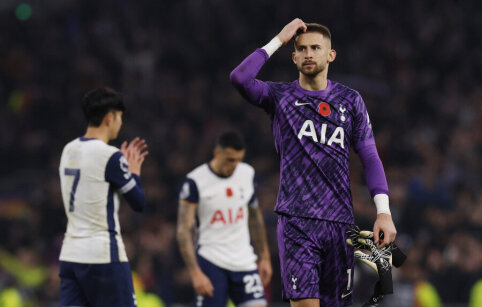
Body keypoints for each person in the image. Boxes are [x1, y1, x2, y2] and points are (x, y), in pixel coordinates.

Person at [230, 19, 397, 306]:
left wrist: (384, 211)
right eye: (301, 49)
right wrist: (279, 39)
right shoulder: (280, 97)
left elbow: (369, 155)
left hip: (340, 224)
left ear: (330, 55)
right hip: (297, 221)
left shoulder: (350, 101)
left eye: (316, 48)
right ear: (293, 57)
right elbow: (240, 78)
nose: (308, 54)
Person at [58, 87, 149, 306]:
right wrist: (134, 172)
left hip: (70, 255)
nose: (121, 123)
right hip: (102, 257)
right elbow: (139, 203)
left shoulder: (68, 149)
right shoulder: (109, 155)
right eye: (120, 117)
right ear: (109, 118)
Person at [176, 131, 272, 307]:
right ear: (216, 153)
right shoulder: (195, 181)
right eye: (230, 160)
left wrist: (264, 257)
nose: (234, 165)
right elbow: (183, 230)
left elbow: (255, 217)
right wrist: (195, 272)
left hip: (244, 260)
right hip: (211, 260)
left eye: (238, 159)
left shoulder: (246, 174)